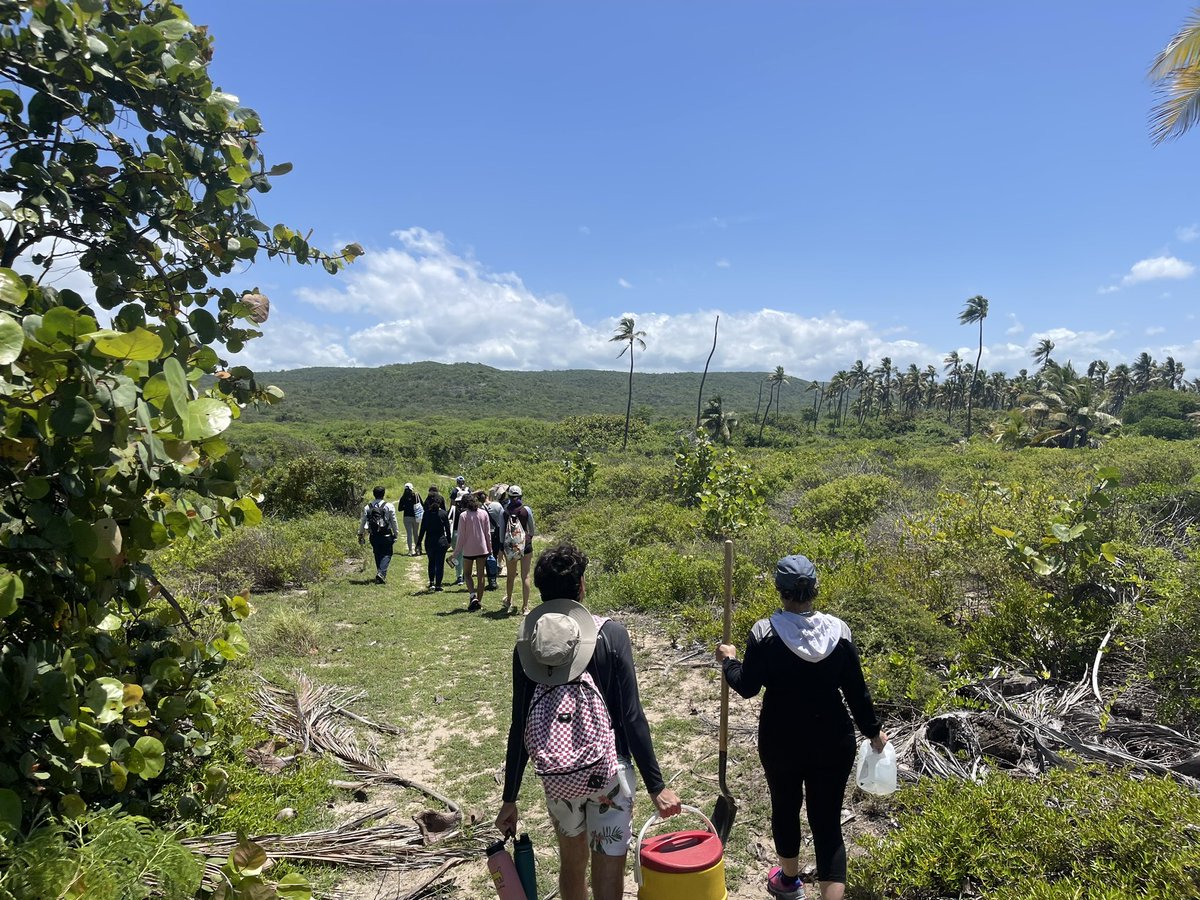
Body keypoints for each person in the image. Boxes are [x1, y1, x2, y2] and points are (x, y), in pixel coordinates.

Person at [496, 542, 681, 900]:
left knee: (571, 864)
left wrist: (510, 798)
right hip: (612, 771)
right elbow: (631, 717)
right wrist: (657, 786)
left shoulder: (527, 647)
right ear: (581, 585)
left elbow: (519, 725)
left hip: (560, 775)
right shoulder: (611, 634)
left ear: (540, 590)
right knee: (608, 869)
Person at [716, 555, 888, 900]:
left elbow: (748, 686)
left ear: (780, 591)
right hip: (833, 739)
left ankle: (789, 883)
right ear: (815, 589)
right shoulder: (839, 632)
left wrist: (728, 661)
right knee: (826, 824)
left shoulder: (764, 632)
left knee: (785, 806)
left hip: (782, 740)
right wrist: (873, 731)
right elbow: (856, 690)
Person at [455, 490, 493, 611]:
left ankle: (473, 595)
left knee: (467, 573)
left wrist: (456, 552)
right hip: (482, 548)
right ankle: (479, 601)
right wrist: (490, 548)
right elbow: (488, 533)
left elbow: (461, 536)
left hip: (469, 549)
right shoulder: (483, 514)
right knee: (481, 575)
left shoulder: (463, 516)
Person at [501, 485, 535, 614]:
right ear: (521, 496)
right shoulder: (526, 510)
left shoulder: (504, 511)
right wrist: (528, 538)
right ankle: (525, 607)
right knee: (525, 575)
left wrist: (501, 547)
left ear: (509, 496)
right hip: (525, 545)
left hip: (510, 546)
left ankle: (509, 601)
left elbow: (502, 531)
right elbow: (532, 529)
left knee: (510, 575)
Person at [358, 486, 399, 584]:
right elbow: (393, 520)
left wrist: (360, 534)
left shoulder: (368, 507)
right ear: (383, 494)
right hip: (386, 534)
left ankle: (380, 574)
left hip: (373, 535)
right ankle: (381, 573)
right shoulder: (389, 506)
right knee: (387, 553)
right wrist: (396, 533)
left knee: (377, 553)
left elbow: (363, 522)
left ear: (374, 494)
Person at [416, 489, 450, 591]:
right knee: (440, 563)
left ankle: (431, 583)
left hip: (429, 541)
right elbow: (448, 529)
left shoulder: (426, 514)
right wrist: (449, 541)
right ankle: (438, 585)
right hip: (441, 541)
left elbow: (422, 530)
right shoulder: (443, 514)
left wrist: (418, 543)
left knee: (431, 561)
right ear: (440, 503)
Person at [484, 484, 508, 591]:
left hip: (486, 532)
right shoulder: (499, 506)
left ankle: (491, 578)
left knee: (489, 555)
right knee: (497, 550)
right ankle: (498, 567)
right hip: (497, 532)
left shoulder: (482, 507)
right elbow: (502, 519)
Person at [398, 483, 421, 556]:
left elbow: (399, 509)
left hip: (407, 517)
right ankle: (417, 550)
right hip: (416, 517)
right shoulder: (416, 496)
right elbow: (422, 505)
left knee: (409, 534)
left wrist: (406, 507)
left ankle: (410, 551)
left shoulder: (403, 497)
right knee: (415, 533)